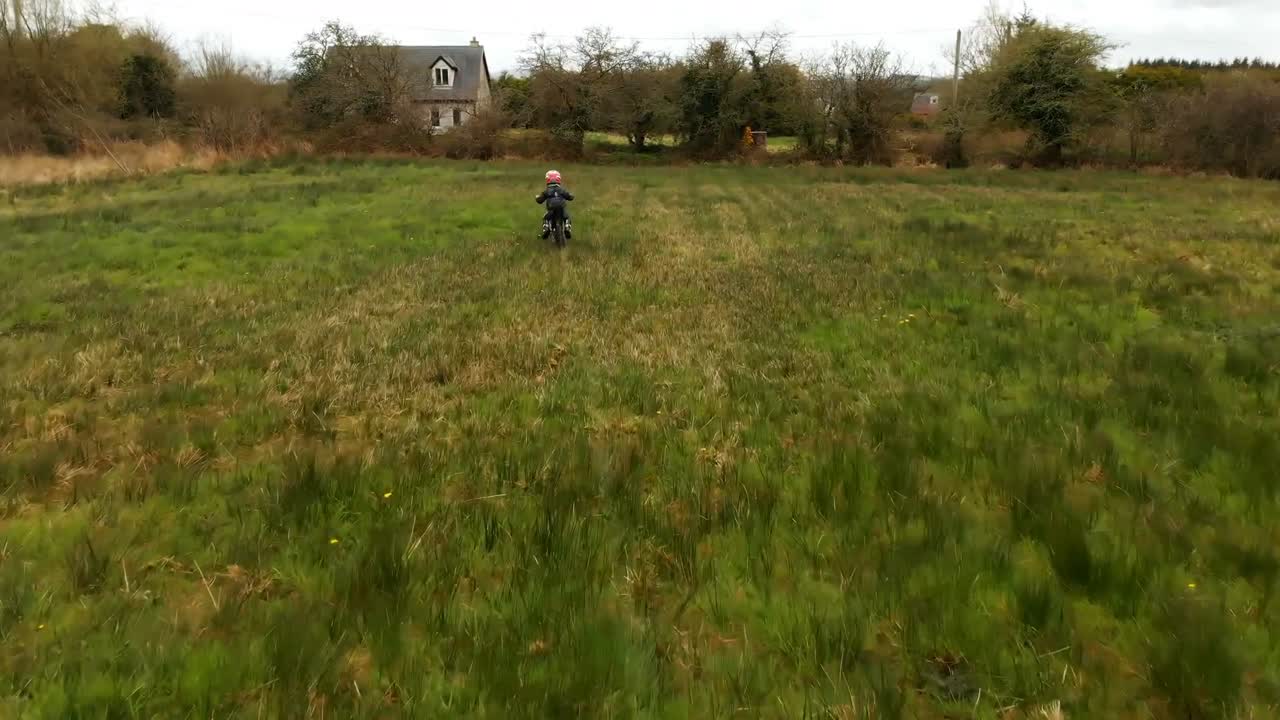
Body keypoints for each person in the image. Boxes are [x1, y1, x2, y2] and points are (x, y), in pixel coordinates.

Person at [536, 170, 574, 239]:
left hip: (551, 208)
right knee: (567, 217)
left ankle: (546, 228)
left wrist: (537, 198)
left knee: (546, 218)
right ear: (558, 179)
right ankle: (567, 227)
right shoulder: (562, 190)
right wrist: (571, 196)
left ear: (547, 179)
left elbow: (540, 200)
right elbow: (569, 197)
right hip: (561, 207)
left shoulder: (546, 191)